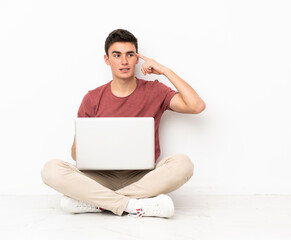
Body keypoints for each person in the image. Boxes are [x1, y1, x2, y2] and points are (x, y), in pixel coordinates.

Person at [41, 29, 205, 218]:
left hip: (143, 177)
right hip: (101, 178)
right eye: (117, 55)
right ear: (107, 60)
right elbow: (75, 154)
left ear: (137, 59)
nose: (124, 61)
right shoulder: (92, 98)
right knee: (51, 169)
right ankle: (133, 205)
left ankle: (98, 203)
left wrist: (165, 71)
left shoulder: (155, 90)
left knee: (183, 164)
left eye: (130, 55)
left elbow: (197, 106)